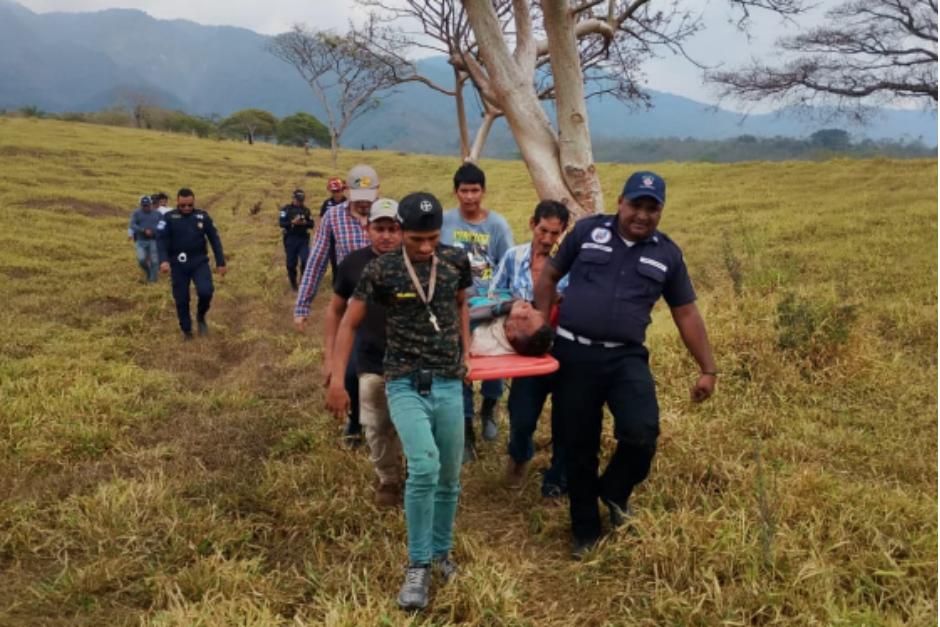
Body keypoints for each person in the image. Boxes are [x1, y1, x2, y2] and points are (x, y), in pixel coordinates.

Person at [534, 171, 717, 559]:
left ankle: (614, 490)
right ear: (620, 202)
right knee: (578, 446)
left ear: (660, 212)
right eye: (636, 205)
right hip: (574, 354)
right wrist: (540, 324)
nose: (643, 215)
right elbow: (550, 275)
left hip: (625, 357)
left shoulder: (667, 254)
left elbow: (685, 312)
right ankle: (585, 529)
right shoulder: (587, 232)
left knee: (642, 433)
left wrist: (707, 368)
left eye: (652, 208)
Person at [326, 192, 472, 611]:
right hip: (403, 382)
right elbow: (348, 323)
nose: (425, 248)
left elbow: (461, 304)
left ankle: (442, 553)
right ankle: (418, 565)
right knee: (424, 467)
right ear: (401, 232)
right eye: (415, 240)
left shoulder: (455, 261)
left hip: (447, 382)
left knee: (449, 477)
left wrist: (466, 352)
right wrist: (338, 379)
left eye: (431, 238)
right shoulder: (381, 269)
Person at [324, 198, 404, 506]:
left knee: (410, 424)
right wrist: (330, 362)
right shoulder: (353, 264)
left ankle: (413, 475)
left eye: (393, 229)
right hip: (370, 359)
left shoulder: (417, 265)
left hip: (410, 361)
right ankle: (388, 480)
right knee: (375, 425)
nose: (386, 236)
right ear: (366, 228)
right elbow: (335, 312)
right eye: (379, 228)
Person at [491, 200, 571, 495]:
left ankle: (557, 478)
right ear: (531, 224)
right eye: (543, 230)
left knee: (566, 417)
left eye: (555, 233)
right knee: (521, 415)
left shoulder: (568, 264)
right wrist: (516, 306)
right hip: (526, 356)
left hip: (563, 351)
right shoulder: (513, 257)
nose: (548, 239)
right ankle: (519, 457)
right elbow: (494, 293)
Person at [294, 164, 377, 444]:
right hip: (351, 301)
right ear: (347, 191)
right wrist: (302, 306)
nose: (365, 201)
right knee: (351, 370)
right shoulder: (333, 217)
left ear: (378, 191)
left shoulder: (390, 213)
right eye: (359, 194)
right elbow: (316, 261)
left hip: (386, 304)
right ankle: (355, 422)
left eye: (370, 194)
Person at [440, 162, 514, 461]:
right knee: (463, 366)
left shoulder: (497, 225)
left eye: (475, 190)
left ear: (483, 191)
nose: (470, 197)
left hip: (490, 304)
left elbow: (506, 263)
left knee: (495, 361)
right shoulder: (445, 222)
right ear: (455, 192)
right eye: (464, 191)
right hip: (456, 305)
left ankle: (490, 408)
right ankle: (467, 428)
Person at [157, 188, 227, 339]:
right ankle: (186, 330)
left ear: (194, 202)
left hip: (198, 261)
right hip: (177, 264)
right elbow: (161, 241)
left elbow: (214, 239)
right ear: (177, 202)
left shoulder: (202, 216)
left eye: (190, 205)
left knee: (206, 291)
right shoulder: (168, 218)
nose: (187, 208)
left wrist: (220, 262)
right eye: (183, 206)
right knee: (181, 299)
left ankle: (201, 316)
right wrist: (163, 260)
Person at [279, 189, 315, 290]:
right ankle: (293, 283)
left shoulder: (306, 210)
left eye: (301, 201)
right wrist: (292, 223)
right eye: (298, 200)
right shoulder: (285, 209)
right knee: (291, 264)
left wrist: (304, 223)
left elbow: (312, 224)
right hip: (290, 239)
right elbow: (281, 223)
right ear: (293, 198)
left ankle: (304, 281)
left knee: (306, 260)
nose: (299, 202)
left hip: (303, 239)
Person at [128, 195, 162, 283]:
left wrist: (157, 231)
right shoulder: (136, 213)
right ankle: (149, 272)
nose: (146, 207)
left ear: (151, 204)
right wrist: (143, 230)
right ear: (141, 205)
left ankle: (152, 280)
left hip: (153, 240)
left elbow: (163, 223)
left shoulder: (157, 214)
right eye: (144, 205)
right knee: (141, 260)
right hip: (141, 240)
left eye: (148, 205)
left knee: (155, 260)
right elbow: (132, 225)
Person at [320, 176, 347, 275]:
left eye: (338, 191)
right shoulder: (326, 204)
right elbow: (322, 220)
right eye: (334, 191)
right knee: (334, 262)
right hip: (331, 237)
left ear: (342, 190)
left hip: (344, 237)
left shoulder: (348, 203)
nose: (336, 193)